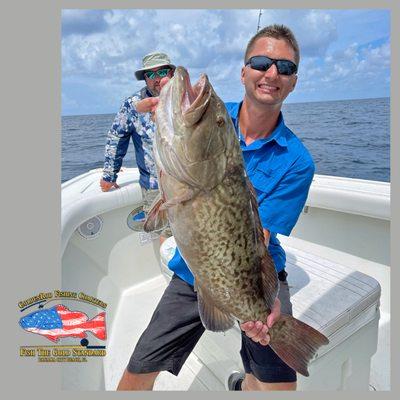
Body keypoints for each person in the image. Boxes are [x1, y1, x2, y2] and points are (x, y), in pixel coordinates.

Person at [117, 25, 314, 391]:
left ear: (293, 82)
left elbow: (260, 234)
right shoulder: (211, 115)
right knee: (139, 368)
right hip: (192, 270)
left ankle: (248, 380)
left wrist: (264, 305)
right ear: (243, 72)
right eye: (260, 62)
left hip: (251, 273)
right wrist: (153, 113)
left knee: (277, 384)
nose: (271, 73)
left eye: (284, 68)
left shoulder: (298, 162)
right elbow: (171, 141)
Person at [100, 51, 175, 216]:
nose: (157, 79)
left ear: (171, 73)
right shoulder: (133, 105)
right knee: (162, 232)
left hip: (191, 184)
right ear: (145, 78)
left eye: (162, 72)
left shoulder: (188, 99)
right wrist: (109, 176)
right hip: (156, 187)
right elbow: (116, 139)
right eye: (150, 74)